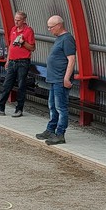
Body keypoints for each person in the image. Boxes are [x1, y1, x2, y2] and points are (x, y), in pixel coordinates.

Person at [36, 16, 76, 145]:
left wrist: (66, 78)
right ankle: (50, 129)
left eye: (51, 27)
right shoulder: (59, 38)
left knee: (60, 107)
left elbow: (71, 60)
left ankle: (60, 134)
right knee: (52, 105)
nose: (49, 29)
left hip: (60, 79)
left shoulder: (67, 39)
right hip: (54, 78)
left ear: (59, 25)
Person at [0, 11, 35, 118]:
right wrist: (8, 60)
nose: (16, 22)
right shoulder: (13, 29)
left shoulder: (28, 31)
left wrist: (23, 43)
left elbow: (32, 47)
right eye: (15, 20)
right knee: (7, 84)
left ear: (24, 20)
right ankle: (0, 108)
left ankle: (19, 109)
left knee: (21, 85)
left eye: (19, 20)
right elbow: (11, 46)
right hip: (12, 61)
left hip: (23, 62)